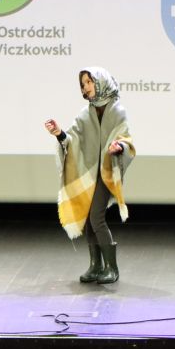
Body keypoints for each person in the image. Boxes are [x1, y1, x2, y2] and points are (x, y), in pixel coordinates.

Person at [43, 67, 136, 284]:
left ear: (100, 81)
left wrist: (118, 147)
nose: (85, 87)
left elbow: (126, 139)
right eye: (83, 84)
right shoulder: (86, 114)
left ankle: (111, 268)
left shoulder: (117, 111)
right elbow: (73, 140)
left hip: (106, 172)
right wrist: (60, 134)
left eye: (89, 82)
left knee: (97, 217)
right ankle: (96, 266)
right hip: (89, 173)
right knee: (88, 219)